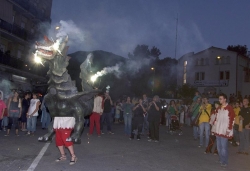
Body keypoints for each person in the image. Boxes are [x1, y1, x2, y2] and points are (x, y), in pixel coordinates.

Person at [213, 93, 235, 167]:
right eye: (219, 99)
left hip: (225, 130)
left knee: (224, 147)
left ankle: (225, 161)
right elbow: (216, 118)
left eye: (221, 99)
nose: (219, 100)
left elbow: (232, 119)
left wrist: (229, 129)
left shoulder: (229, 108)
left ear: (225, 99)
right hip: (218, 130)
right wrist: (214, 127)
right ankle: (221, 159)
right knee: (219, 147)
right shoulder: (219, 108)